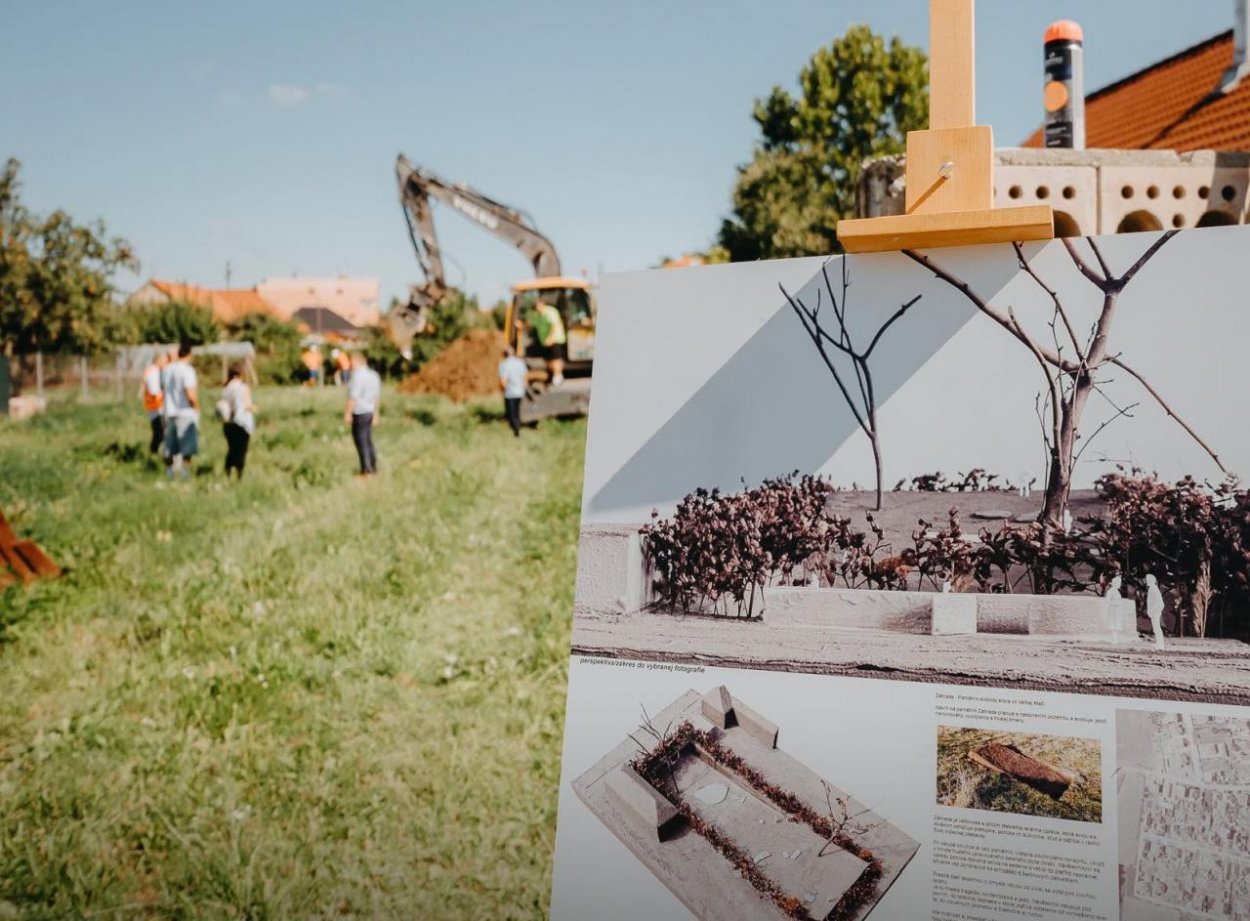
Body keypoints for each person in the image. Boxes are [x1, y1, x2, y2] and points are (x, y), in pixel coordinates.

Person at [162, 341, 200, 479]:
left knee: (169, 446)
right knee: (187, 446)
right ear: (189, 354)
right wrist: (196, 407)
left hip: (169, 410)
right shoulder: (187, 370)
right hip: (185, 411)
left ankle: (169, 472)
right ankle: (185, 474)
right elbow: (190, 393)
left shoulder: (167, 369)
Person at [344, 352, 381, 476]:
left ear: (356, 361)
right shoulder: (374, 375)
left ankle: (366, 470)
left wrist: (348, 413)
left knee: (361, 442)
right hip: (370, 411)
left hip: (359, 412)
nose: (350, 365)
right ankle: (373, 467)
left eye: (351, 362)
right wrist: (376, 414)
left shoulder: (357, 376)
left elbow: (353, 397)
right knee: (368, 440)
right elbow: (376, 397)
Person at [220, 364, 256, 479]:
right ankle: (239, 476)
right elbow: (247, 405)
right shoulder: (243, 387)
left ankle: (228, 473)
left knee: (231, 449)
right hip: (242, 423)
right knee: (241, 451)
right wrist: (254, 408)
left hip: (228, 423)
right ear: (240, 374)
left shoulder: (226, 388)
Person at [530, 297, 567, 385]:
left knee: (556, 359)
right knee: (549, 359)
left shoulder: (550, 312)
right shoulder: (540, 314)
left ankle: (557, 376)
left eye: (537, 306)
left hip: (555, 339)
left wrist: (549, 338)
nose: (537, 309)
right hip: (547, 341)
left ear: (542, 304)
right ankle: (554, 375)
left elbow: (553, 326)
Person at [139, 351, 168, 455]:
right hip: (157, 407)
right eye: (165, 360)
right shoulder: (154, 371)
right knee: (160, 433)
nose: (167, 363)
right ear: (159, 360)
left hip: (154, 406)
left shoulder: (152, 370)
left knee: (159, 433)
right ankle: (154, 454)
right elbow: (154, 391)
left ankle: (154, 454)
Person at [498, 345, 528, 437]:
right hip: (520, 392)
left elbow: (503, 381)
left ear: (504, 354)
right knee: (517, 410)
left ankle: (516, 429)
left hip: (510, 393)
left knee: (511, 413)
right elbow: (525, 377)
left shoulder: (504, 365)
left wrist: (503, 390)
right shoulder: (520, 363)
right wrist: (523, 387)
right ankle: (518, 426)